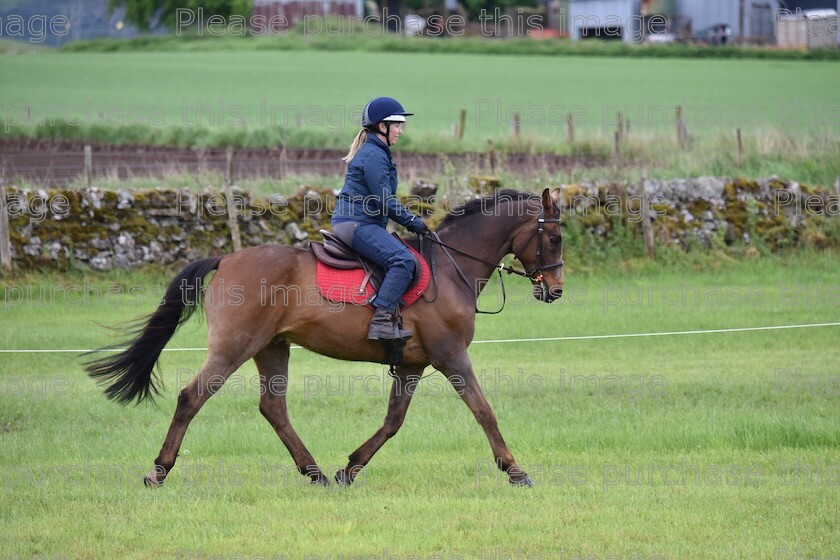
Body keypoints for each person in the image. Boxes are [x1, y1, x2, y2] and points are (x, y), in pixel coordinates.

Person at [331, 96, 430, 341]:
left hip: (361, 223)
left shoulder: (377, 152)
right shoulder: (374, 155)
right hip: (357, 224)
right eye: (397, 125)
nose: (401, 131)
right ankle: (381, 320)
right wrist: (413, 222)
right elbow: (385, 200)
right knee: (402, 261)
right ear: (382, 127)